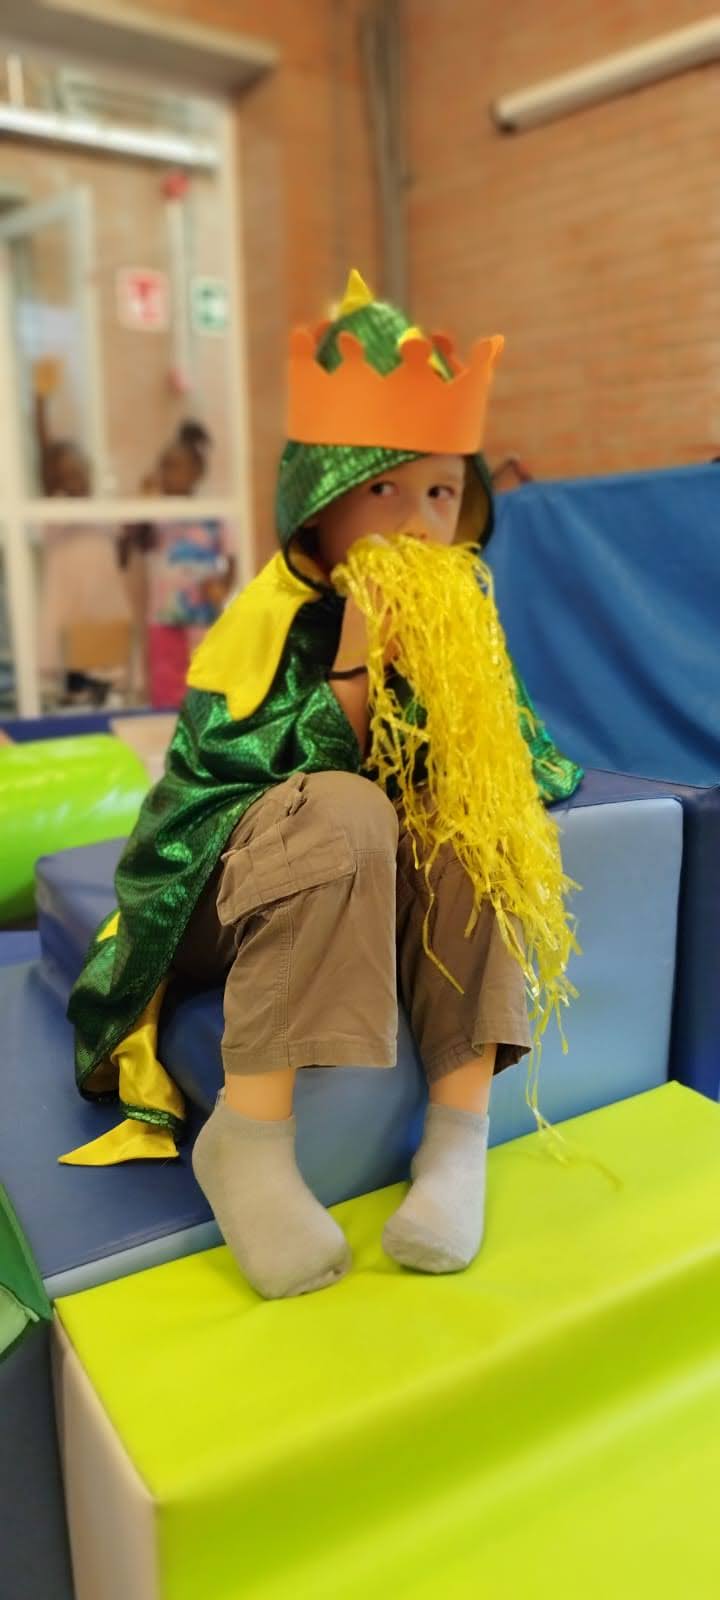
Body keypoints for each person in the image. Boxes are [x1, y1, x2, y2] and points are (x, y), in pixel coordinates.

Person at [66, 271, 582, 1301]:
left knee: (472, 824)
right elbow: (234, 782)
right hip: (223, 891)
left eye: (441, 494)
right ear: (319, 501)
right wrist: (356, 665)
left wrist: (460, 713)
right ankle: (250, 1144)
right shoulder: (263, 621)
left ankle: (456, 1140)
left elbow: (534, 762)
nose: (419, 524)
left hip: (373, 891)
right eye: (384, 493)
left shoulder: (462, 625)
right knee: (347, 806)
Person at [32, 359, 130, 704]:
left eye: (81, 471)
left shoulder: (102, 513)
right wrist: (40, 403)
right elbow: (45, 454)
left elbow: (120, 556)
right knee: (74, 688)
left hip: (102, 613)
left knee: (106, 682)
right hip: (70, 614)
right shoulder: (57, 511)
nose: (77, 479)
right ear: (55, 480)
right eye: (67, 474)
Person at [119, 420, 235, 708]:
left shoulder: (212, 512)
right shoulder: (158, 511)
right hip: (164, 616)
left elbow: (232, 556)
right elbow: (133, 542)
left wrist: (223, 586)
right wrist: (143, 503)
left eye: (174, 466)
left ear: (196, 473)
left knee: (206, 682)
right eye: (163, 467)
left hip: (203, 615)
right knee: (167, 687)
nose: (166, 474)